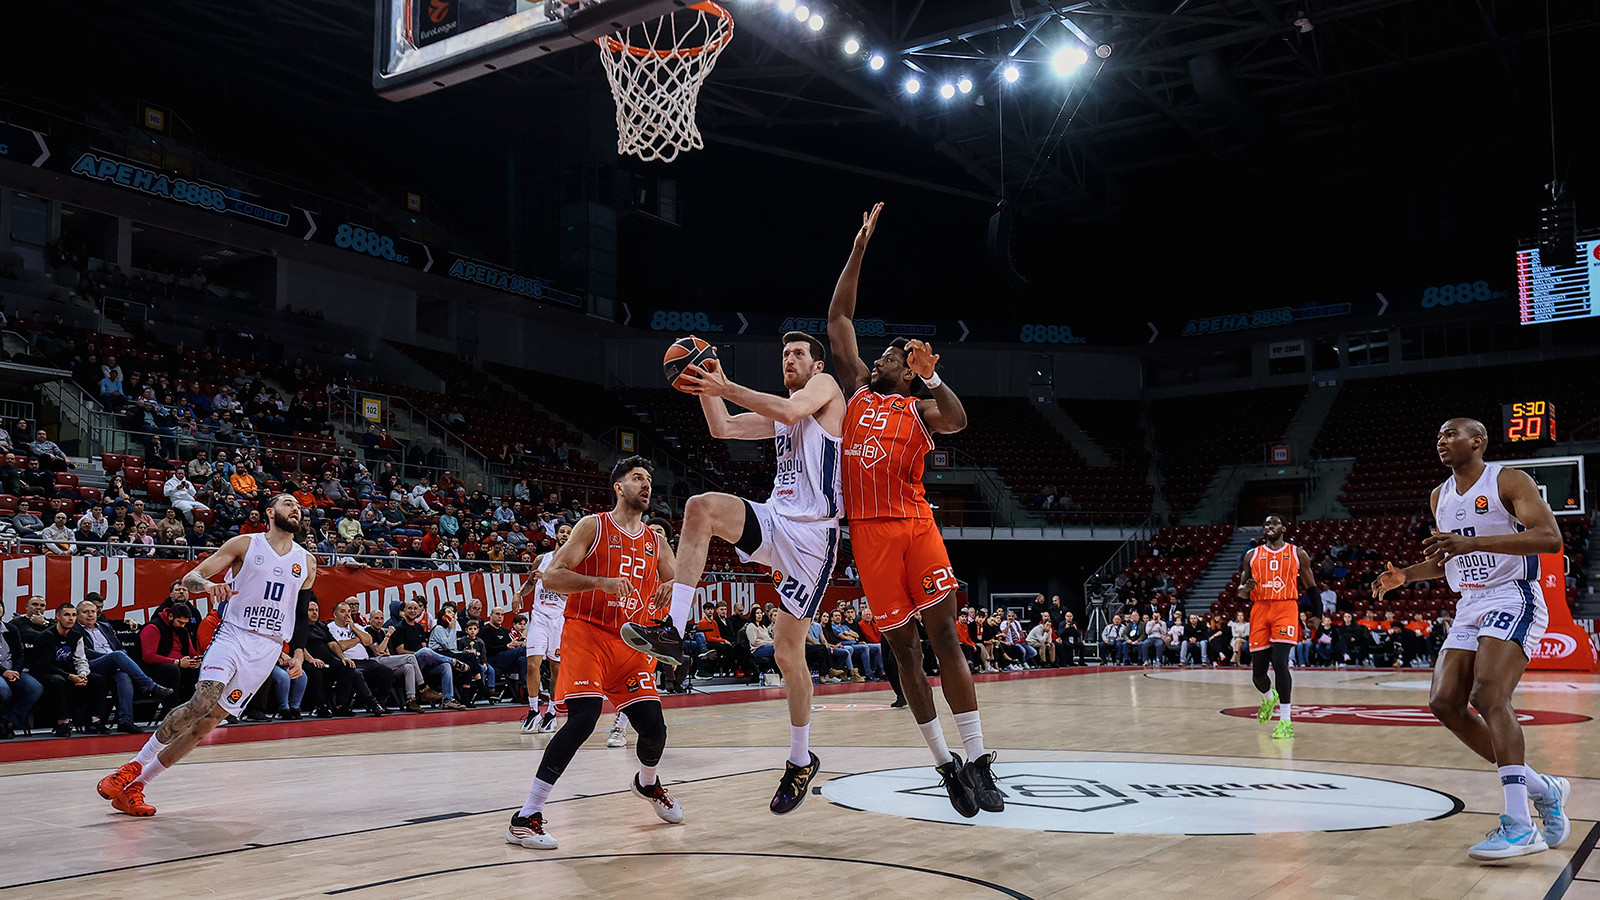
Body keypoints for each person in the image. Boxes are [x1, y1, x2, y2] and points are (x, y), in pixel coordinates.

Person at [820, 202, 1000, 817]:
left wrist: (933, 380)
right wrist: (860, 247)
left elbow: (958, 419)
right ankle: (944, 764)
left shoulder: (916, 407)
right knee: (904, 653)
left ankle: (978, 759)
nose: (879, 359)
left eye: (891, 356)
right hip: (869, 534)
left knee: (945, 634)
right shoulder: (855, 394)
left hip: (915, 523)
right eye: (883, 357)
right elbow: (838, 316)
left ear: (907, 366)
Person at [619, 329, 844, 815]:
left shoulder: (825, 393)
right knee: (700, 508)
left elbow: (787, 410)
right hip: (778, 520)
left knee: (789, 654)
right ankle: (673, 630)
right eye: (784, 353)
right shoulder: (783, 415)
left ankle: (801, 760)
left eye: (799, 353)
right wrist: (704, 383)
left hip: (814, 537)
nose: (789, 359)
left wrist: (726, 385)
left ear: (817, 365)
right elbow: (722, 428)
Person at [1372, 417, 1569, 861]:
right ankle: (1543, 787)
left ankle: (1520, 825)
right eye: (1438, 435)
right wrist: (1406, 576)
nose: (1441, 441)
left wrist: (1473, 544)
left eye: (1450, 434)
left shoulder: (1509, 480)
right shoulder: (1439, 495)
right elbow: (1448, 560)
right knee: (1444, 702)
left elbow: (1549, 538)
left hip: (1512, 595)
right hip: (1469, 602)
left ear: (1477, 441)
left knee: (1489, 694)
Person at [96, 494, 317, 817]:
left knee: (209, 722)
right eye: (287, 504)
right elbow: (192, 578)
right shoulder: (245, 544)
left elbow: (300, 615)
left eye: (298, 506)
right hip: (234, 633)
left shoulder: (307, 561)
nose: (295, 508)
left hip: (268, 647)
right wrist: (209, 587)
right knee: (202, 701)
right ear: (270, 513)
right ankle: (132, 767)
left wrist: (297, 653)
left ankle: (137, 787)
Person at [505, 456, 681, 851]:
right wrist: (599, 581)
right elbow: (552, 576)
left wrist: (675, 585)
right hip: (587, 634)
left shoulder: (655, 539)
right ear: (619, 487)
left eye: (649, 478)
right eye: (638, 477)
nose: (646, 484)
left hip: (631, 643)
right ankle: (526, 815)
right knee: (583, 720)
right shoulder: (593, 526)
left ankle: (648, 784)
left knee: (654, 729)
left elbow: (677, 576)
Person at [1236, 515, 1316, 739]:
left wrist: (1317, 614)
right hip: (1260, 609)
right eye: (1266, 524)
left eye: (1274, 523)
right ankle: (1268, 698)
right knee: (1258, 675)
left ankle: (1286, 721)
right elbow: (1240, 592)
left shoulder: (1297, 553)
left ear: (1284, 527)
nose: (1269, 526)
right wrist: (1245, 589)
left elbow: (1311, 586)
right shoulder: (1251, 556)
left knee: (1280, 662)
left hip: (1285, 607)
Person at [75, 598, 173, 733]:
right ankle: (149, 685)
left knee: (124, 677)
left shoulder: (105, 626)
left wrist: (116, 659)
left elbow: (120, 647)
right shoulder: (75, 630)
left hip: (115, 664)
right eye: (85, 612)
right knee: (117, 655)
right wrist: (110, 658)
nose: (91, 615)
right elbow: (84, 653)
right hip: (92, 664)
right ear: (78, 614)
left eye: (93, 611)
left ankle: (125, 721)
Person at [517, 522, 572, 733]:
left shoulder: (574, 563)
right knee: (532, 665)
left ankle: (551, 711)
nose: (565, 535)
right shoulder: (542, 559)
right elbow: (531, 583)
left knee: (555, 668)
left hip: (559, 619)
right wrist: (518, 594)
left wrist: (550, 579)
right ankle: (533, 711)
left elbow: (573, 592)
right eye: (562, 532)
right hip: (539, 616)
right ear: (556, 535)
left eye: (569, 533)